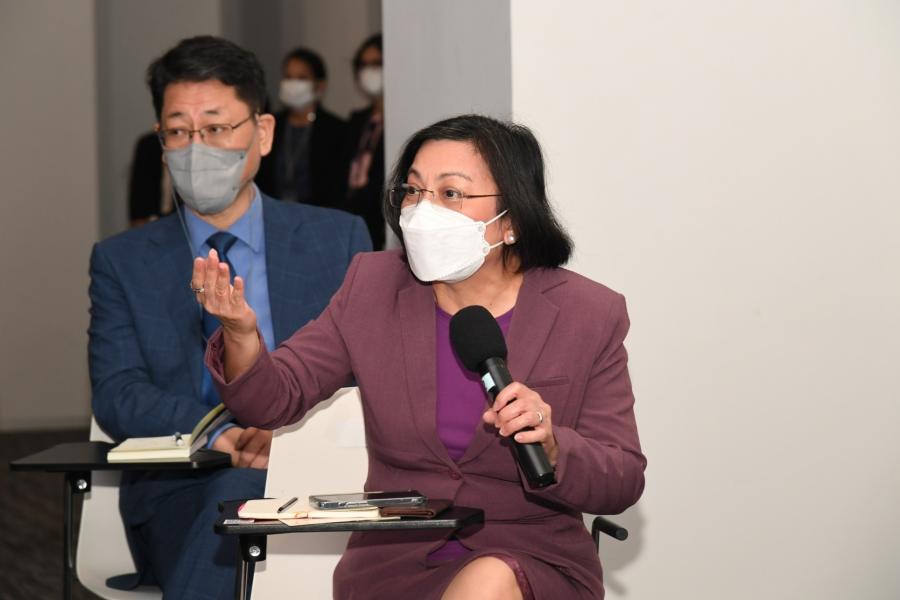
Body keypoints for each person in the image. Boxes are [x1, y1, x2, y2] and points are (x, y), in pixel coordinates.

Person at [197, 114, 646, 599]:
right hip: (395, 564)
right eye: (413, 191)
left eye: (450, 193)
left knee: (490, 581)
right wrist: (241, 335)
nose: (423, 210)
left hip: (532, 557)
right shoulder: (372, 286)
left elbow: (621, 479)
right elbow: (272, 400)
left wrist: (555, 447)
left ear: (511, 219)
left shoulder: (587, 313)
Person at [88, 36, 371, 599]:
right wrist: (221, 433)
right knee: (238, 497)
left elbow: (371, 372)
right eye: (178, 132)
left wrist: (288, 439)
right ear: (161, 142)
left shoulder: (336, 240)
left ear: (262, 132)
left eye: (216, 128)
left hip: (320, 480)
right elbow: (118, 393)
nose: (196, 148)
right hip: (184, 487)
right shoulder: (123, 261)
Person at [256, 47, 348, 206]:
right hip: (273, 209)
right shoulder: (272, 124)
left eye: (301, 78)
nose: (293, 84)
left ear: (319, 85)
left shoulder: (336, 129)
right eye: (288, 77)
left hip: (318, 212)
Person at [342, 33, 387, 249]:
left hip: (380, 218)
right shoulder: (357, 120)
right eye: (363, 65)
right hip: (352, 213)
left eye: (376, 63)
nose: (369, 71)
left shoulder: (398, 118)